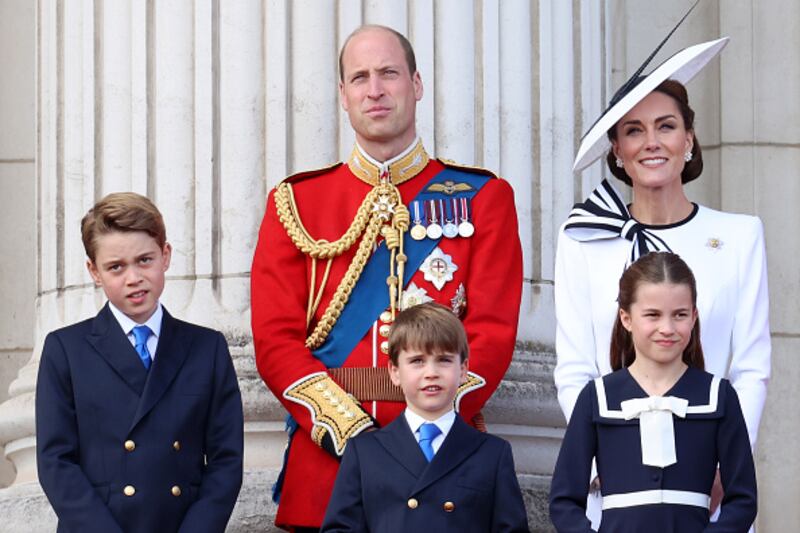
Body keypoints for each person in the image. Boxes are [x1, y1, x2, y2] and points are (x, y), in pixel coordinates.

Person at [251, 24, 523, 530]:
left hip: (442, 460)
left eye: (388, 74)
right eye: (360, 78)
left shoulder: (484, 198)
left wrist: (426, 425)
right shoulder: (296, 202)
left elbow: (492, 332)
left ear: (416, 85)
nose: (374, 90)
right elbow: (274, 340)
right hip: (328, 465)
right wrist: (352, 430)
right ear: (343, 95)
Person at [554, 36, 769, 528]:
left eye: (666, 126)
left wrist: (723, 463)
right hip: (617, 492)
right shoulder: (583, 237)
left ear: (688, 138)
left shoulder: (738, 236)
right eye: (634, 130)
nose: (651, 142)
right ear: (617, 149)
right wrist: (607, 455)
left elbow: (752, 368)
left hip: (710, 490)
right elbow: (573, 370)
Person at [36, 192, 244, 533]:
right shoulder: (65, 350)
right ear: (94, 271)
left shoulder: (207, 349)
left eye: (144, 260)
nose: (133, 277)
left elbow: (225, 462)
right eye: (116, 267)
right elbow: (56, 463)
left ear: (165, 256)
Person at [550, 252, 757, 532]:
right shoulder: (596, 397)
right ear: (626, 318)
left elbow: (743, 499)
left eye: (680, 315)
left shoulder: (719, 396)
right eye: (653, 315)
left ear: (694, 316)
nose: (667, 328)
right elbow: (564, 501)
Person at [321, 302, 529, 532]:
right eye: (417, 361)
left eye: (444, 360)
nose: (431, 373)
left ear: (463, 370)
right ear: (395, 372)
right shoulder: (364, 452)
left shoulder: (492, 454)